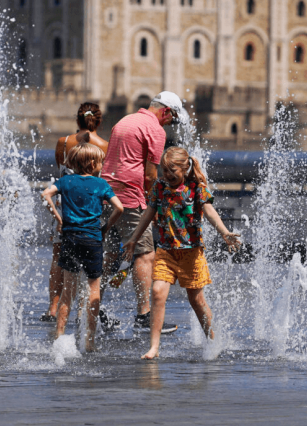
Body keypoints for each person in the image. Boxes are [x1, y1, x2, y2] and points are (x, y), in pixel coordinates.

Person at [123, 147, 241, 360]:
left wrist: (224, 233)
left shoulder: (196, 188)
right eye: (164, 170)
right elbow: (148, 214)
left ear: (185, 168)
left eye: (172, 170)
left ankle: (213, 341)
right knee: (158, 292)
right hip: (166, 253)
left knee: (197, 301)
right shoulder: (159, 188)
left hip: (191, 255)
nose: (167, 175)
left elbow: (209, 211)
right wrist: (133, 239)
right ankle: (154, 347)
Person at [102, 91, 187, 336]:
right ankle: (143, 315)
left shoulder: (124, 121)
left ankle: (93, 306)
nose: (171, 124)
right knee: (145, 254)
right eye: (172, 119)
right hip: (130, 197)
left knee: (110, 255)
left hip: (107, 194)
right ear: (166, 111)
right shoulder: (156, 131)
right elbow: (151, 175)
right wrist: (155, 206)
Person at [40, 143, 124, 352]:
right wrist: (106, 227)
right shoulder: (100, 184)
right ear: (94, 164)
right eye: (101, 163)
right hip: (93, 239)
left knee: (68, 291)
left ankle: (59, 338)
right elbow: (119, 208)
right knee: (93, 291)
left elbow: (45, 194)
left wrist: (59, 219)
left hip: (70, 239)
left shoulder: (66, 181)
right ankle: (89, 342)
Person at [41, 102, 110, 323]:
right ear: (99, 121)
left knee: (59, 257)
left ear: (77, 120)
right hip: (91, 210)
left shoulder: (63, 143)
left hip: (65, 207)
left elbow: (61, 173)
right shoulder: (105, 146)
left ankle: (54, 307)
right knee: (92, 261)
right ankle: (85, 309)